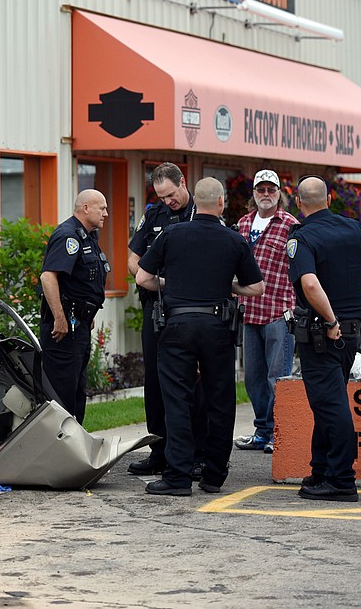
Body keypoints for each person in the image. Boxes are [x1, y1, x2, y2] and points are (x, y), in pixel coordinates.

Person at [134, 177, 265, 496]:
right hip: (217, 326)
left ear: (196, 199)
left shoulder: (172, 233)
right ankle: (214, 475)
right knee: (219, 399)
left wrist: (174, 286)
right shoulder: (234, 240)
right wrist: (228, 287)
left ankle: (177, 477)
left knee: (177, 399)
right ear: (220, 203)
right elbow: (257, 287)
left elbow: (143, 277)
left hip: (177, 325)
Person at [288, 176, 361, 503]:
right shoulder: (356, 229)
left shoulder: (303, 237)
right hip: (350, 333)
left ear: (299, 203)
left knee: (331, 405)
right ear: (329, 198)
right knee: (328, 402)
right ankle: (321, 471)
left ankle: (341, 480)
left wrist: (329, 319)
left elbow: (310, 285)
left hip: (323, 332)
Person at [126, 162, 203, 477]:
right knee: (155, 381)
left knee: (192, 380)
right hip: (155, 308)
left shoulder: (201, 213)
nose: (167, 201)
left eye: (171, 195)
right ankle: (159, 451)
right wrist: (151, 280)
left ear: (183, 183)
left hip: (187, 310)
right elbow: (133, 258)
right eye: (161, 196)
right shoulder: (154, 215)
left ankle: (195, 454)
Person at [234, 169, 300, 454]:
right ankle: (262, 430)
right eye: (260, 189)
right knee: (253, 378)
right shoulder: (243, 223)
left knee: (278, 379)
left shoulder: (291, 225)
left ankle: (280, 434)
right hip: (249, 311)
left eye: (271, 190)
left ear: (279, 194)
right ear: (253, 193)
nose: (265, 194)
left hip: (279, 311)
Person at [39, 189, 110, 424]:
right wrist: (60, 318)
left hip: (78, 325)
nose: (106, 214)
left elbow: (81, 282)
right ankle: (59, 453)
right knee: (63, 395)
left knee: (77, 392)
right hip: (63, 331)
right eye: (102, 208)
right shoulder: (68, 236)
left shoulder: (87, 236)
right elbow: (48, 277)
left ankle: (74, 447)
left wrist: (87, 313)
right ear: (86, 208)